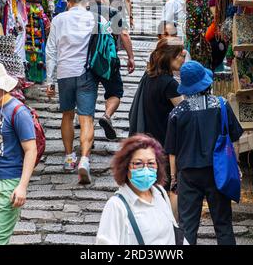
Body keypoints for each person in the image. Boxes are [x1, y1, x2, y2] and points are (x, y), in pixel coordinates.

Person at [165, 61, 244, 246]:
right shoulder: (221, 105)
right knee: (223, 225)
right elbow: (235, 139)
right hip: (218, 172)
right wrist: (235, 164)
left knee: (187, 227)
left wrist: (174, 178)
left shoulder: (177, 113)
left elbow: (172, 152)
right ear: (206, 83)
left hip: (189, 174)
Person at [46, 0, 98, 185]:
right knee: (86, 118)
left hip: (64, 72)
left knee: (67, 115)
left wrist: (50, 81)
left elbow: (51, 50)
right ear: (85, 2)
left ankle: (69, 157)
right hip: (86, 72)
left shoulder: (59, 20)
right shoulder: (94, 18)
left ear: (68, 2)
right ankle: (84, 158)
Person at [0, 62, 37, 245]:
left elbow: (31, 150)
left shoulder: (18, 112)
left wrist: (22, 186)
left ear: (1, 86)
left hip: (6, 184)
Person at [96, 134, 177, 245]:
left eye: (151, 163)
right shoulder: (116, 206)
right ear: (125, 166)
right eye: (138, 163)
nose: (145, 169)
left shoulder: (160, 193)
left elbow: (174, 234)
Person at [87, 0, 135, 140]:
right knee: (115, 92)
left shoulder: (84, 13)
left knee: (88, 96)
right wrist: (130, 57)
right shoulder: (114, 12)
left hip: (88, 61)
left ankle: (88, 135)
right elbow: (124, 35)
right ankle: (107, 116)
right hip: (109, 61)